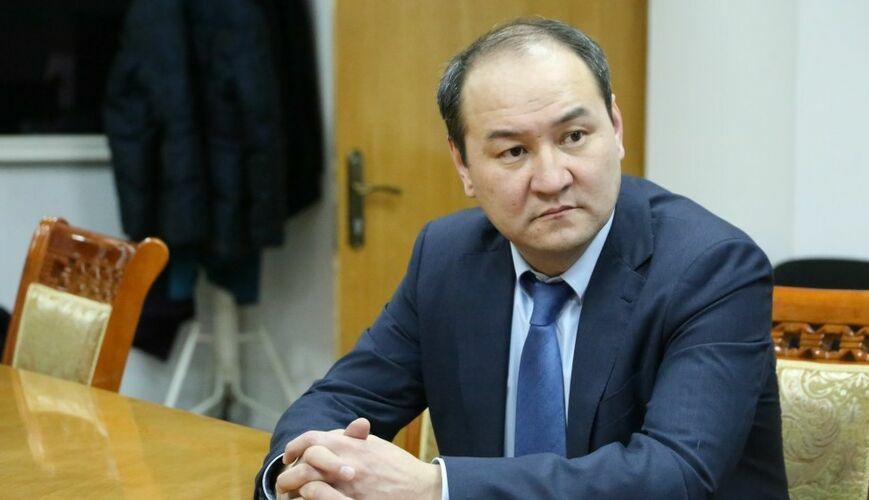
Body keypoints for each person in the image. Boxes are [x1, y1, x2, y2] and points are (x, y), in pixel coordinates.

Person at [257, 17, 788, 500]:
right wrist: (300, 471)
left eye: (574, 136)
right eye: (514, 151)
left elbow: (674, 474)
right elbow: (340, 400)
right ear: (463, 165)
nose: (552, 178)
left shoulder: (713, 268)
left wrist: (437, 488)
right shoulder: (447, 257)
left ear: (616, 128)